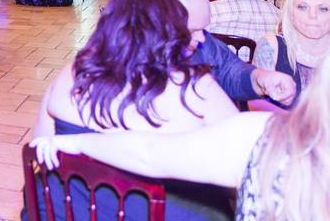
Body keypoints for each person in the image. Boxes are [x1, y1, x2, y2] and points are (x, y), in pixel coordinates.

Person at [29, 53, 330, 221]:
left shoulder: (265, 138)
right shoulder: (268, 138)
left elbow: (149, 153)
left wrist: (76, 143)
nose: (198, 39)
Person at [32, 0, 237, 220]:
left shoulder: (71, 74)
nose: (200, 38)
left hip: (69, 212)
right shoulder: (196, 87)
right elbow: (244, 164)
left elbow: (39, 152)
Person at [151, 0, 297, 106]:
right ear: (157, 20)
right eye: (193, 30)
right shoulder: (132, 58)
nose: (202, 37)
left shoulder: (202, 42)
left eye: (202, 29)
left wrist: (258, 78)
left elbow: (229, 69)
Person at [253, 0, 330, 109]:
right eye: (302, 7)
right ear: (290, 13)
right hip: (281, 127)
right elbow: (255, 101)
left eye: (323, 9)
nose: (313, 15)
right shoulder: (272, 46)